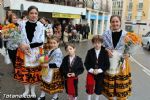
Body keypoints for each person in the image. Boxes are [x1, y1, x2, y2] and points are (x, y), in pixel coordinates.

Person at [14, 6, 44, 98]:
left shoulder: (40, 26)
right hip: (23, 52)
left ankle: (33, 90)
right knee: (25, 73)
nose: (34, 15)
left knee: (34, 73)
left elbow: (41, 41)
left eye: (36, 13)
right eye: (31, 13)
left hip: (36, 52)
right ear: (28, 14)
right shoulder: (21, 24)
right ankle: (26, 90)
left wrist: (28, 46)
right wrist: (21, 46)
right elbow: (16, 37)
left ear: (38, 15)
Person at [102, 15, 131, 100]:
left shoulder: (126, 35)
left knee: (120, 87)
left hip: (122, 64)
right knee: (111, 88)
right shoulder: (105, 34)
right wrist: (106, 51)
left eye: (117, 21)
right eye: (113, 22)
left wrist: (128, 54)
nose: (115, 23)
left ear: (120, 22)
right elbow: (101, 46)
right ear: (110, 23)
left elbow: (130, 49)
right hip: (110, 63)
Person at [84, 35, 110, 100]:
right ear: (93, 43)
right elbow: (86, 63)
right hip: (91, 72)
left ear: (101, 43)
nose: (97, 44)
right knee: (89, 85)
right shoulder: (90, 52)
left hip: (100, 73)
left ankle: (96, 98)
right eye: (95, 43)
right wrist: (92, 70)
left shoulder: (105, 52)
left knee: (99, 87)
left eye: (99, 43)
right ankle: (89, 98)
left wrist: (99, 71)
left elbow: (107, 64)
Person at [38, 36, 64, 100]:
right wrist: (41, 57)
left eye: (54, 43)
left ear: (58, 43)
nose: (52, 45)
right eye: (51, 43)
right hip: (47, 69)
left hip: (54, 71)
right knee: (44, 82)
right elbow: (48, 57)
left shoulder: (58, 52)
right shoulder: (51, 50)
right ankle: (42, 96)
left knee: (55, 85)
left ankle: (55, 97)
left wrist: (47, 65)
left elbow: (58, 63)